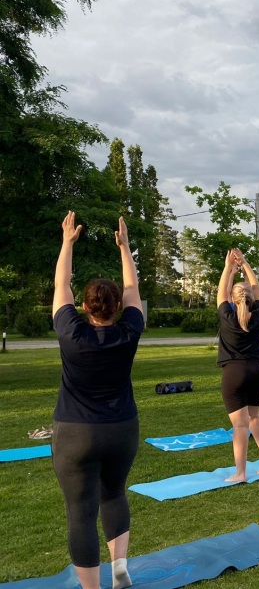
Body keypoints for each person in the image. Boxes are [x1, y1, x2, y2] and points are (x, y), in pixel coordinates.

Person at [51, 213, 143, 589]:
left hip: (76, 434)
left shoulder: (71, 331)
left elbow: (62, 283)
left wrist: (67, 242)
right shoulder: (129, 330)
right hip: (121, 429)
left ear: (84, 307)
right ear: (117, 307)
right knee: (114, 494)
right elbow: (132, 286)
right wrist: (124, 247)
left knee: (80, 513)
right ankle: (119, 568)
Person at [216, 248, 259, 481]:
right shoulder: (257, 313)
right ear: (250, 299)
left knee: (240, 426)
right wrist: (245, 264)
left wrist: (229, 267)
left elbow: (222, 291)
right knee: (254, 417)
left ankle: (240, 472)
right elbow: (257, 287)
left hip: (235, 372)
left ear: (233, 299)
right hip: (257, 371)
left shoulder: (227, 316)